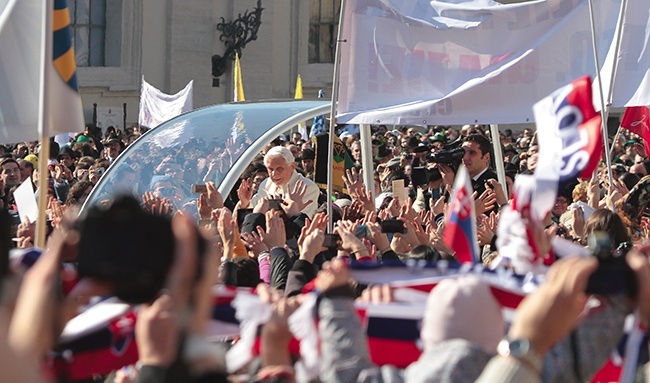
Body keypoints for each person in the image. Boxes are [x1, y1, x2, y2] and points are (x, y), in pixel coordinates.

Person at [238, 146, 320, 218]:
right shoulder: (266, 184)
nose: (274, 174)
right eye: (270, 169)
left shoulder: (308, 187)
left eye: (279, 169)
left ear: (292, 166)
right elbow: (252, 214)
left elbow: (302, 223)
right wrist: (245, 203)